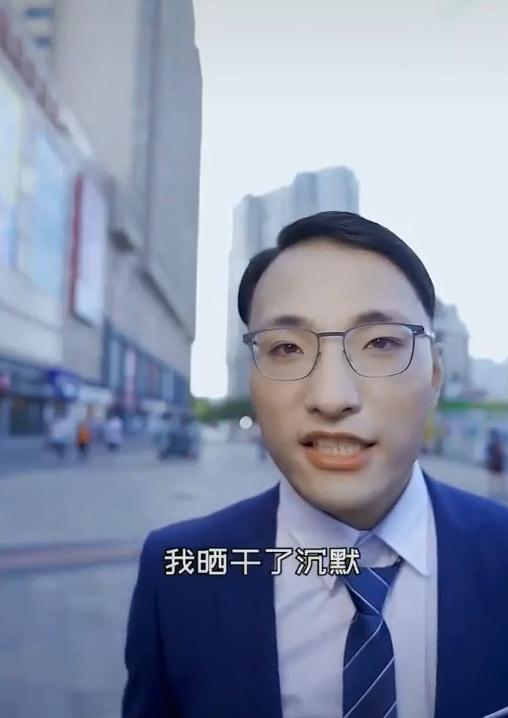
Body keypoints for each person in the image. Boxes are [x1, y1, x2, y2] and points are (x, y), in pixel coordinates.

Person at [122, 212, 508, 718]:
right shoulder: (180, 571)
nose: (331, 397)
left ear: (435, 374)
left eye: (380, 343)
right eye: (286, 347)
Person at [486, 428, 506, 500]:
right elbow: (502, 453)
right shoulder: (496, 443)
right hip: (496, 462)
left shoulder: (493, 443)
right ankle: (498, 491)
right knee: (497, 478)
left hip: (495, 462)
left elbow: (489, 454)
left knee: (496, 478)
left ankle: (495, 491)